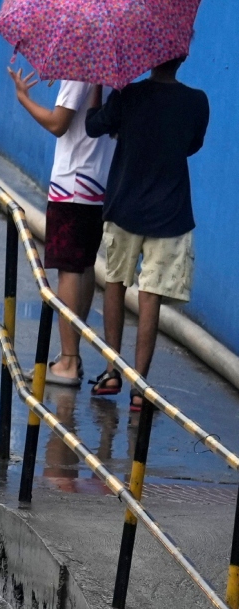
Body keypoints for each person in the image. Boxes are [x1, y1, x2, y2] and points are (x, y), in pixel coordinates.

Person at [85, 55, 209, 409]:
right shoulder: (196, 101)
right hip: (170, 214)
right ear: (184, 57)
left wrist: (98, 85)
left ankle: (111, 371)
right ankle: (140, 388)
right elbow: (191, 145)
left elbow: (94, 126)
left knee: (114, 282)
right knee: (150, 296)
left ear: (151, 58)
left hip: (124, 205)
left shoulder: (128, 95)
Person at [8, 70, 114, 386]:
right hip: (98, 183)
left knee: (68, 270)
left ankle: (68, 362)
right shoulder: (114, 71)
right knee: (82, 268)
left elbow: (58, 123)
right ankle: (72, 355)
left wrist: (23, 98)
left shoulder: (81, 71)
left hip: (72, 183)